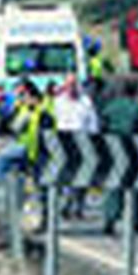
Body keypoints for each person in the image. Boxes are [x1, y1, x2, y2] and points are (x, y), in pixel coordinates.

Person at [98, 78, 138, 234]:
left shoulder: (110, 107)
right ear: (136, 91)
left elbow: (101, 127)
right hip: (134, 150)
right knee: (136, 186)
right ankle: (137, 221)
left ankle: (109, 219)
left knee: (113, 186)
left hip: (113, 149)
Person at [51, 76, 99, 218]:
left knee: (83, 178)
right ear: (64, 86)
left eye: (74, 84)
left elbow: (93, 122)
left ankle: (78, 207)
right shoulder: (58, 102)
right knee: (66, 177)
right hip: (64, 142)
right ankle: (65, 205)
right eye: (68, 84)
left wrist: (94, 140)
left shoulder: (85, 102)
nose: (71, 87)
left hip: (83, 141)